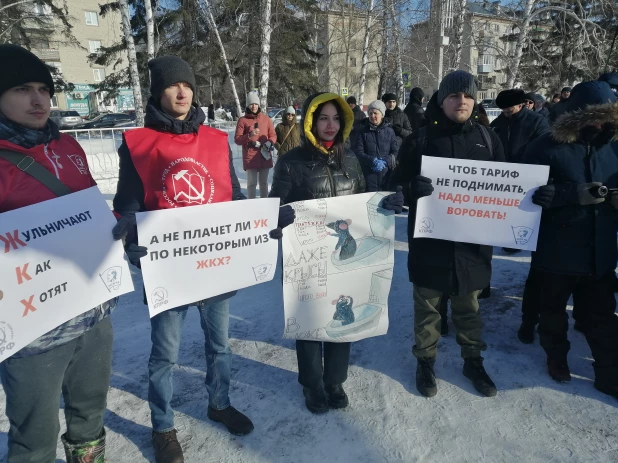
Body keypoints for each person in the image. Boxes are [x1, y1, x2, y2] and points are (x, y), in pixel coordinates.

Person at [113, 56, 294, 463]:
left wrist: (263, 220)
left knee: (220, 346)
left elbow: (234, 198)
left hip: (215, 262)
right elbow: (126, 205)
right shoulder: (137, 144)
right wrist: (130, 238)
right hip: (169, 267)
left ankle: (219, 402)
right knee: (165, 355)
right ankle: (163, 426)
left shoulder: (213, 140)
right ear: (158, 91)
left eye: (188, 85)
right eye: (173, 85)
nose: (182, 92)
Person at [0, 44, 118, 463]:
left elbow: (90, 217)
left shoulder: (69, 147)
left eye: (43, 89)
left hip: (92, 314)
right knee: (35, 435)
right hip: (33, 333)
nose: (38, 100)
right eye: (21, 89)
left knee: (89, 414)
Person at [269, 92, 404, 414]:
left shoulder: (352, 161)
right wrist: (278, 217)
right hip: (308, 257)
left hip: (343, 255)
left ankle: (334, 381)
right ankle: (312, 384)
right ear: (312, 121)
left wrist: (386, 204)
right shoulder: (292, 163)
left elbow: (363, 202)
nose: (330, 125)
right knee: (310, 319)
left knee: (343, 316)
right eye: (323, 118)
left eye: (335, 119)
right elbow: (273, 204)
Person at [393, 71, 505, 398]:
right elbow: (395, 185)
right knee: (428, 305)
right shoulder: (421, 139)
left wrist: (532, 198)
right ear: (442, 101)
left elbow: (509, 187)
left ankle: (473, 359)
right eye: (455, 96)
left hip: (472, 244)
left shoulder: (488, 139)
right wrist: (410, 188)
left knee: (469, 306)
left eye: (468, 96)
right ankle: (425, 360)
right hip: (431, 242)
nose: (462, 101)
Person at [521, 81, 618, 397]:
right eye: (594, 116)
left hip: (599, 253)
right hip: (556, 251)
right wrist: (566, 195)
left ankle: (608, 374)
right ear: (576, 116)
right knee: (552, 312)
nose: (600, 123)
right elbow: (519, 194)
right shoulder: (545, 147)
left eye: (607, 116)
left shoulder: (615, 149)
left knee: (602, 317)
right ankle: (556, 357)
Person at [234, 92, 276, 199]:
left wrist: (269, 142)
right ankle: (251, 206)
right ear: (248, 105)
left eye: (256, 104)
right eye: (251, 104)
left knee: (264, 183)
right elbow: (237, 139)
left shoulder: (266, 119)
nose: (254, 106)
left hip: (264, 155)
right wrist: (250, 135)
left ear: (259, 105)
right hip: (250, 156)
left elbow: (273, 135)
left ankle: (264, 204)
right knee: (252, 184)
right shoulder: (242, 120)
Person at [354, 100, 399, 192]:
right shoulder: (363, 132)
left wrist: (386, 161)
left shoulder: (389, 131)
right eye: (370, 113)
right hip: (368, 176)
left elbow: (396, 151)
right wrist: (372, 161)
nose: (372, 116)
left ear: (382, 115)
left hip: (387, 176)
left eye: (375, 113)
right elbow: (358, 152)